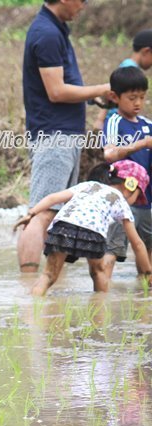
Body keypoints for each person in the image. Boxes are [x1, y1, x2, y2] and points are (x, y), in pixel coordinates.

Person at [16, 0, 111, 273]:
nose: (84, 6)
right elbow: (56, 91)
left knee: (54, 212)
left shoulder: (55, 30)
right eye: (81, 0)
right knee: (42, 211)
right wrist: (102, 88)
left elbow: (66, 84)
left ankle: (44, 282)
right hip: (54, 135)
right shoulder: (46, 33)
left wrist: (95, 98)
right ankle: (26, 286)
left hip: (63, 134)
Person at [14, 161, 152, 295]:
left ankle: (31, 310)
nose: (136, 201)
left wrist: (31, 214)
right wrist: (148, 272)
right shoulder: (120, 200)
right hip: (92, 234)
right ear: (131, 185)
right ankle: (100, 310)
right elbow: (138, 244)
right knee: (98, 272)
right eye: (138, 196)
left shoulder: (88, 185)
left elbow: (52, 198)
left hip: (62, 229)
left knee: (48, 276)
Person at [101, 67, 152, 278]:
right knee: (113, 249)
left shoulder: (148, 124)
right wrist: (140, 144)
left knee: (148, 250)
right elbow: (110, 154)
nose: (138, 103)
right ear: (115, 97)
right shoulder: (115, 122)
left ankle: (145, 300)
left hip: (146, 201)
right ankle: (100, 294)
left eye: (142, 97)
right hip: (123, 201)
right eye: (132, 98)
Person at [94, 29, 152, 130]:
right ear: (146, 51)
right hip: (118, 121)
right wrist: (100, 119)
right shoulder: (129, 68)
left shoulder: (130, 66)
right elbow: (111, 91)